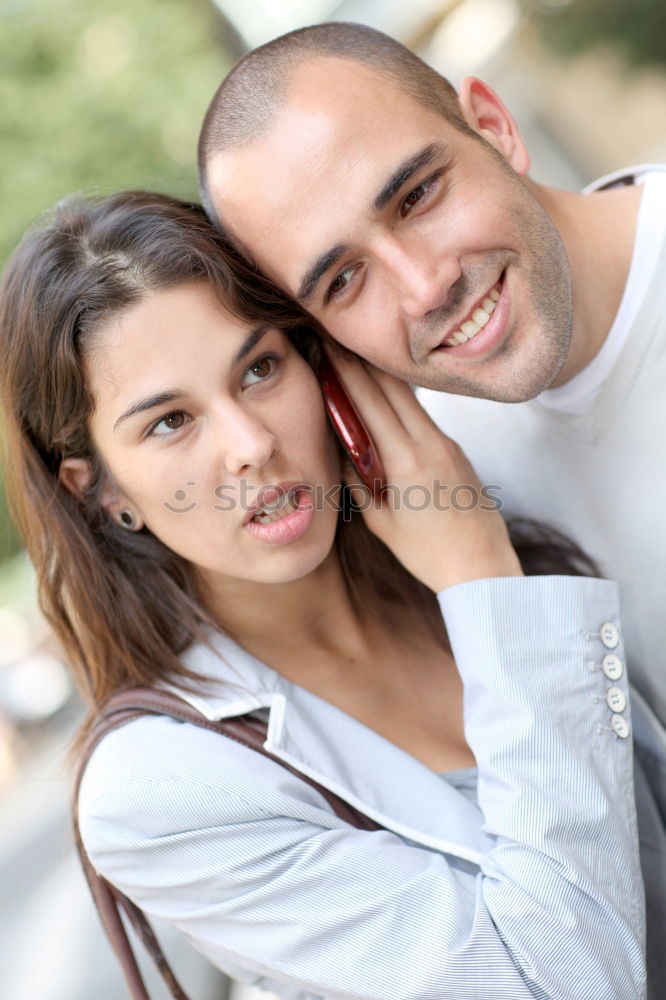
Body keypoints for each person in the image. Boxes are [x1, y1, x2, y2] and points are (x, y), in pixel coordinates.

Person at [0, 190, 661, 1000]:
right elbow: (569, 983)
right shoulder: (160, 790)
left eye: (260, 368)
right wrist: (482, 582)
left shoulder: (474, 522)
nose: (251, 445)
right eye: (170, 423)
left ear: (327, 371)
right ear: (101, 491)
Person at [197, 21, 666, 730]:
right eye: (345, 279)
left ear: (494, 125)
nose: (425, 288)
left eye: (416, 196)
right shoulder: (440, 483)